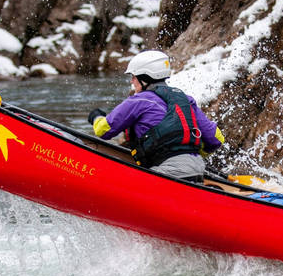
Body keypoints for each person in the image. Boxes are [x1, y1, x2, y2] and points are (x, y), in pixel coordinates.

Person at [87, 50, 225, 182]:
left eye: (133, 77)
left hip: (167, 172)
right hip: (197, 169)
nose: (131, 81)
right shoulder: (185, 100)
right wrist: (186, 154)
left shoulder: (139, 100)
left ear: (144, 78)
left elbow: (103, 130)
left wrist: (96, 117)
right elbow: (216, 139)